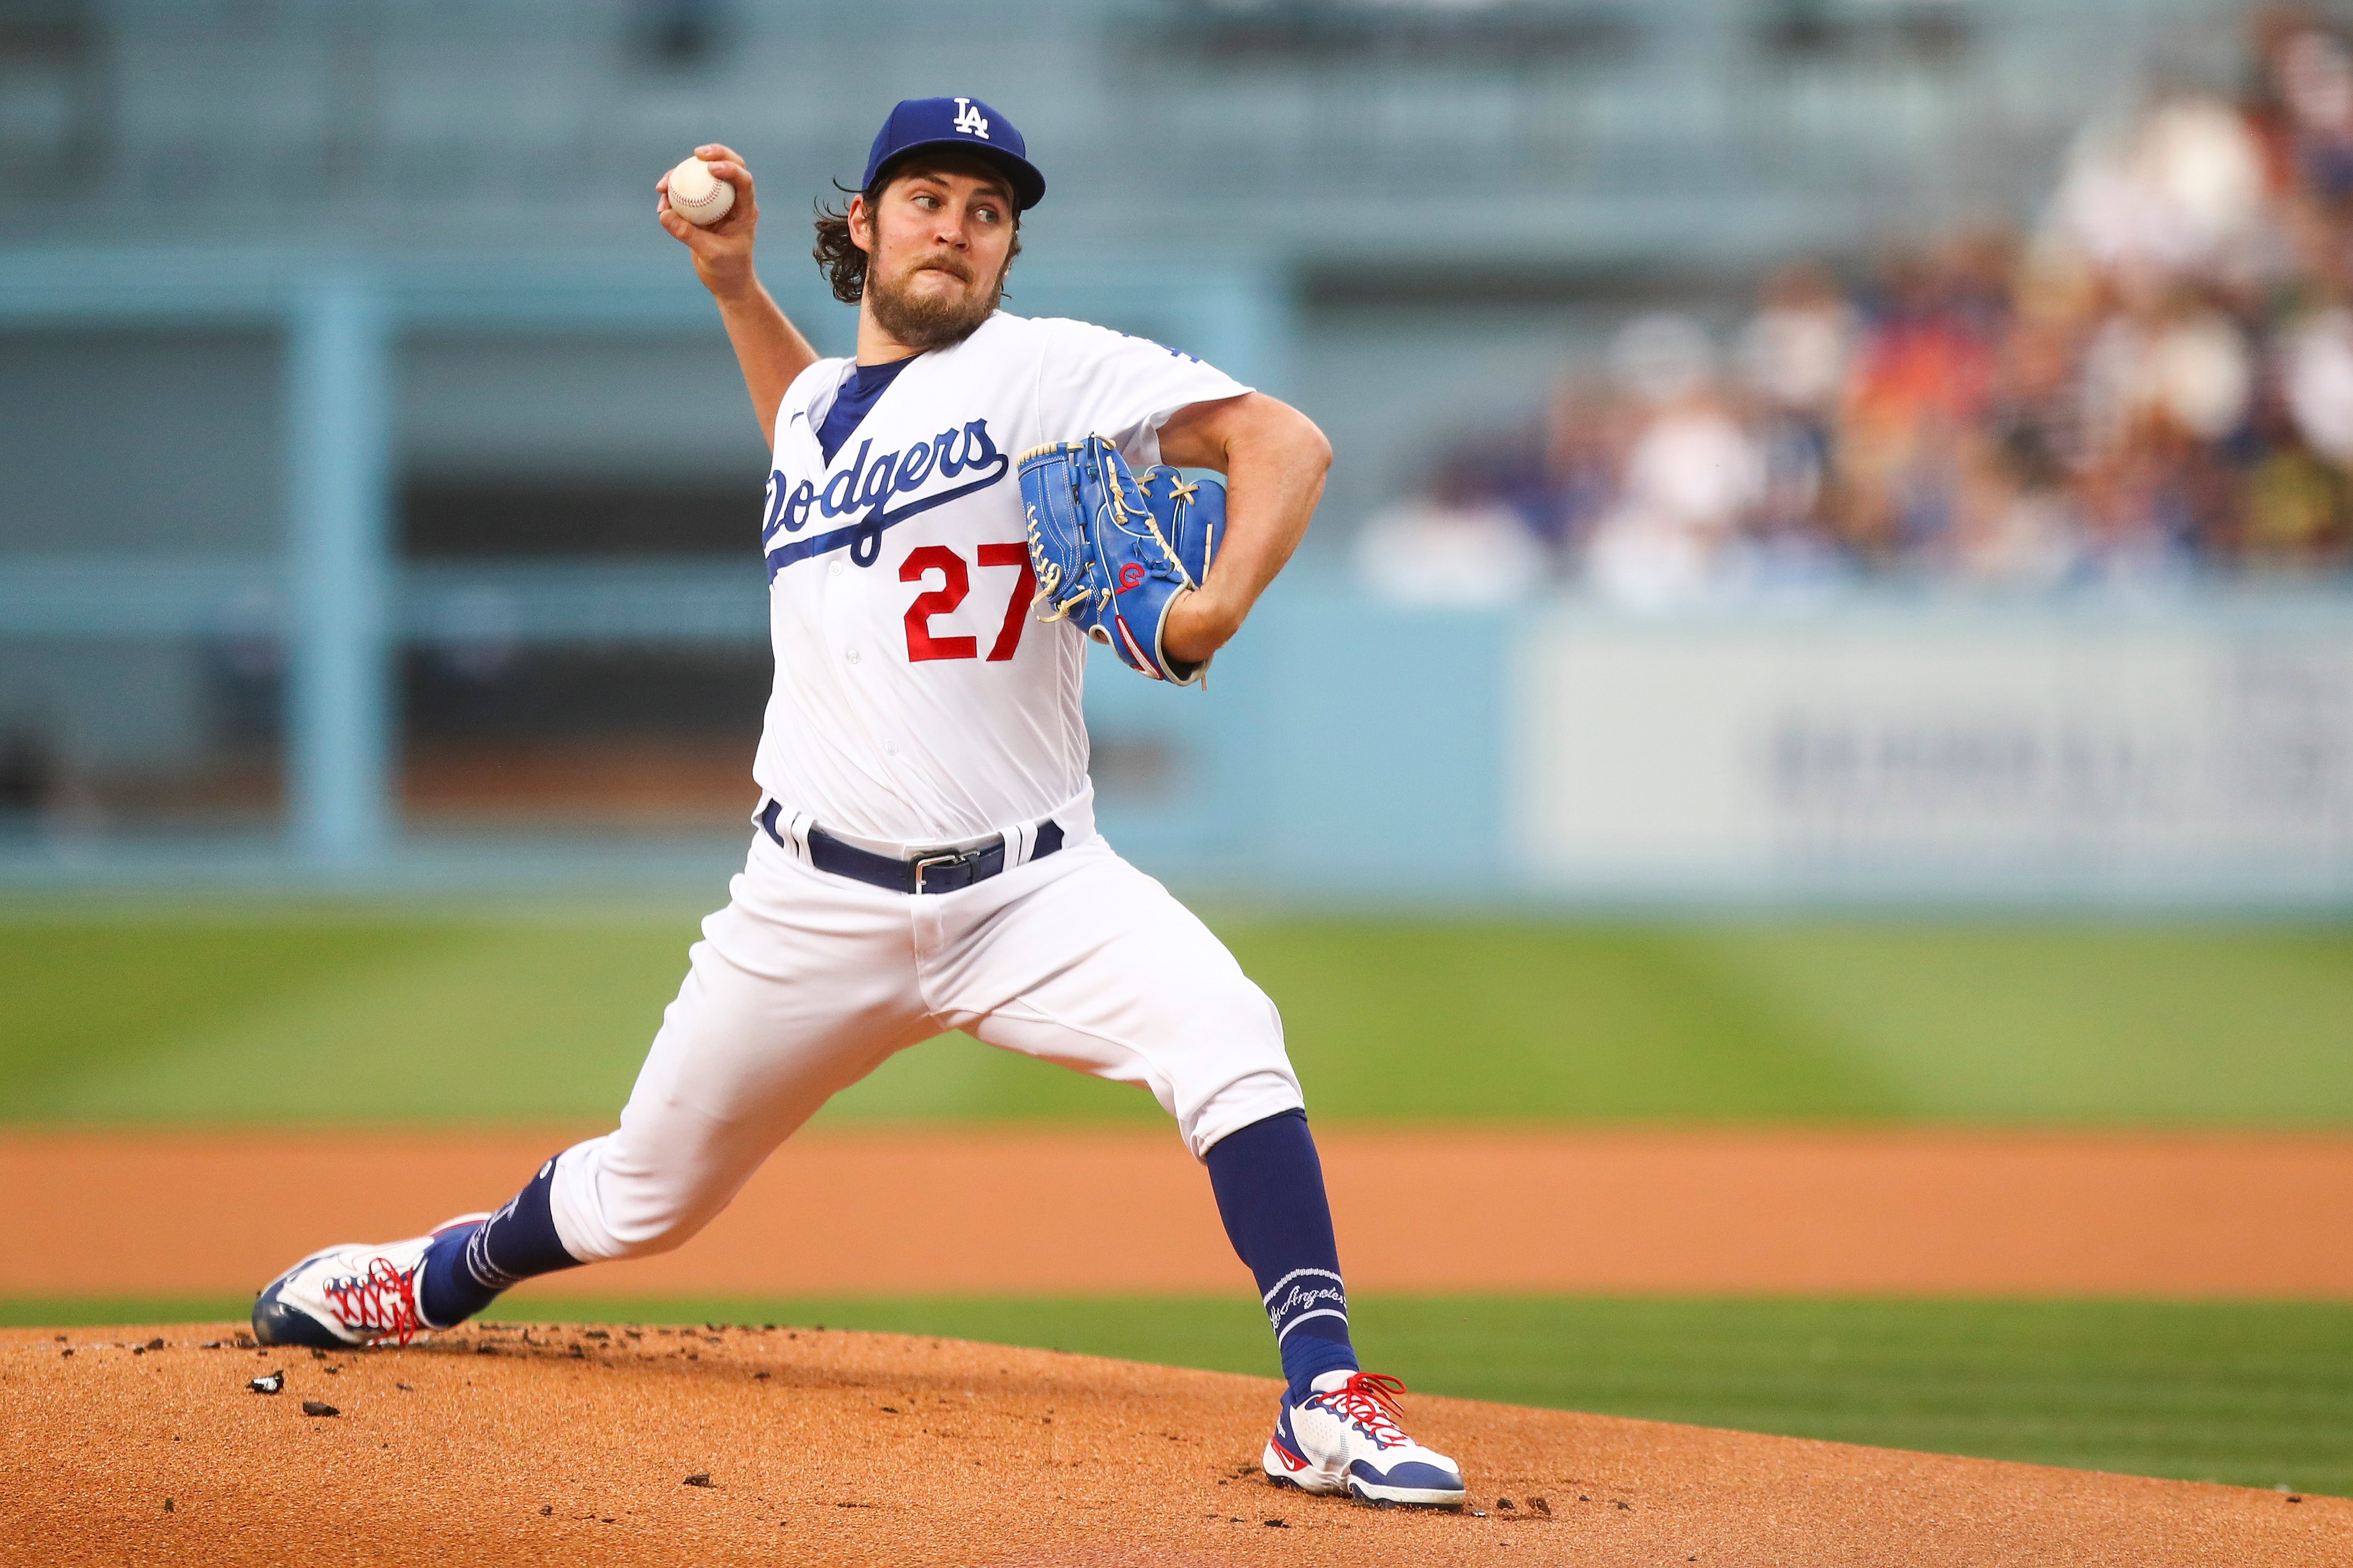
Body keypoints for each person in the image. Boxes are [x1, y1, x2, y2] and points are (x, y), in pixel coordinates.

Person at [249, 96, 1466, 1511]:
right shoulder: (826, 406)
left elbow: (1289, 445)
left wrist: (1205, 613)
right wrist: (732, 288)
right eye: (930, 197)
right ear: (865, 224)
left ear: (1009, 253)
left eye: (989, 211)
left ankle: (1323, 1393)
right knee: (645, 1198)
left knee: (1229, 1033)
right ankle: (431, 1278)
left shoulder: (1050, 371)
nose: (959, 225)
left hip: (1034, 890)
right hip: (811, 901)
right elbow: (806, 440)